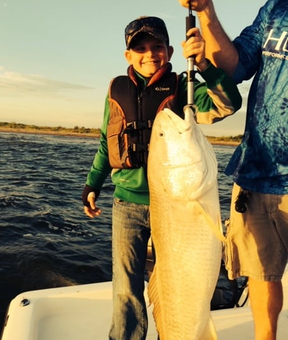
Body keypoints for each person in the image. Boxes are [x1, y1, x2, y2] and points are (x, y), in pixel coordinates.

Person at [82, 15, 241, 340]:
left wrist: (205, 68)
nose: (149, 54)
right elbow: (105, 142)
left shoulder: (185, 86)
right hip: (126, 203)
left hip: (175, 206)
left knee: (177, 278)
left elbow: (228, 104)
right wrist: (92, 184)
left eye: (157, 46)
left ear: (169, 51)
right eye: (140, 48)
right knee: (125, 285)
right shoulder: (116, 88)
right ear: (128, 55)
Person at [177, 1, 288, 340]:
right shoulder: (276, 8)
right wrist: (207, 11)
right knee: (261, 275)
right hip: (257, 171)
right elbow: (236, 66)